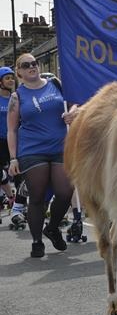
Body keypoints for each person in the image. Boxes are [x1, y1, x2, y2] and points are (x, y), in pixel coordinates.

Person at [7, 53, 77, 257]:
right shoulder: (17, 97)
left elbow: (74, 103)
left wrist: (73, 113)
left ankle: (53, 227)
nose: (32, 66)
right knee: (37, 196)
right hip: (32, 150)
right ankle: (37, 241)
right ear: (19, 72)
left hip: (60, 147)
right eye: (25, 65)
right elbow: (11, 130)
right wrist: (13, 158)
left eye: (34, 63)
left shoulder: (55, 83)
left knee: (65, 192)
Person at [0, 67, 17, 208]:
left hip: (14, 140)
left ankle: (19, 204)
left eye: (12, 77)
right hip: (0, 141)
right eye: (7, 78)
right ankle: (10, 197)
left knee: (18, 173)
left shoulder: (16, 97)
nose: (11, 80)